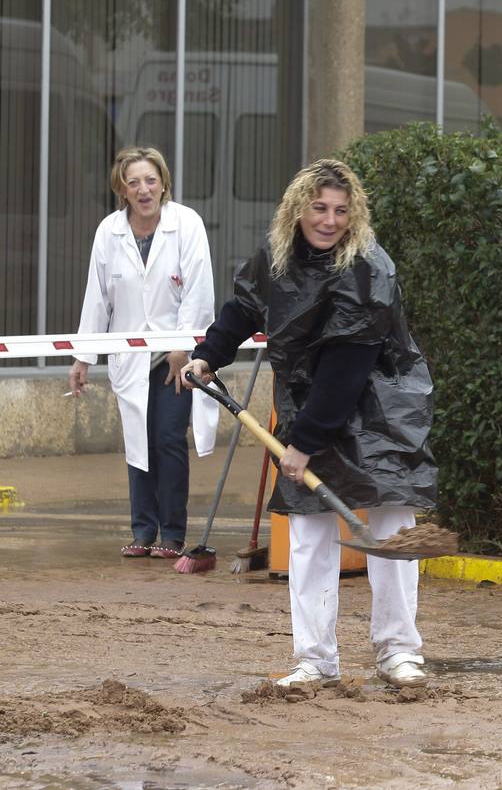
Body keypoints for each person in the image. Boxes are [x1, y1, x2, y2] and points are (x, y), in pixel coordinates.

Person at [183, 159, 437, 690]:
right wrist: (209, 354)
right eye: (319, 208)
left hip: (379, 414)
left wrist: (302, 444)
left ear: (355, 214)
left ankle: (398, 651)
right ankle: (316, 659)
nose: (329, 220)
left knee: (389, 527)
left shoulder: (369, 268)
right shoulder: (276, 258)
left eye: (342, 210)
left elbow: (347, 368)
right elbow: (242, 308)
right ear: (298, 208)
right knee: (308, 535)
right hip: (309, 406)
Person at [68, 147, 217, 559]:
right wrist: (83, 357)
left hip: (175, 358)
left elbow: (199, 291)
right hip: (130, 356)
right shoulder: (109, 232)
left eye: (150, 180)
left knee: (168, 437)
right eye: (133, 182)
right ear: (122, 188)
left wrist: (180, 348)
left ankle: (172, 535)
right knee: (138, 439)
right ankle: (142, 531)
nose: (143, 189)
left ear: (163, 182)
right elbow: (97, 298)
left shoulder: (186, 224)